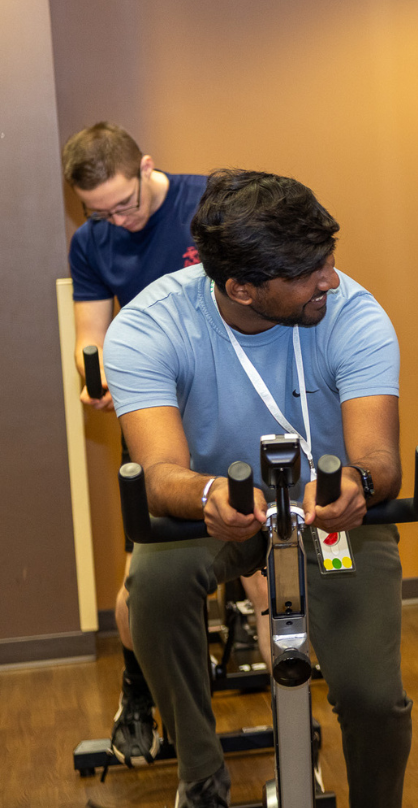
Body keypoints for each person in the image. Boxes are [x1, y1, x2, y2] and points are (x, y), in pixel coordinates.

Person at [103, 170, 410, 808]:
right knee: (153, 587)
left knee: (374, 696)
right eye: (308, 272)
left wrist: (358, 483)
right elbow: (160, 477)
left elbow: (380, 459)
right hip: (214, 510)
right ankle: (200, 773)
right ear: (240, 288)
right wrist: (209, 494)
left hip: (330, 516)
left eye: (329, 258)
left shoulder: (353, 313)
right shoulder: (148, 327)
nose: (330, 278)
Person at [62, 122, 270, 767]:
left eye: (125, 203)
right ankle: (138, 689)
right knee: (141, 586)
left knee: (267, 572)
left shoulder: (207, 205)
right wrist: (93, 374)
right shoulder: (90, 242)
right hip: (155, 414)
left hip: (228, 404)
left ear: (147, 167)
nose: (117, 220)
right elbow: (91, 331)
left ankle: (294, 703)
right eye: (100, 212)